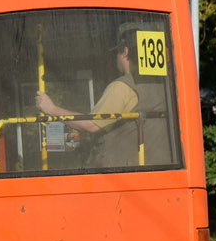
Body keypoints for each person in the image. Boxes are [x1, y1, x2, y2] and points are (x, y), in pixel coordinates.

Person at [35, 31, 144, 168]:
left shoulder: (122, 86)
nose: (116, 58)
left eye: (116, 52)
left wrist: (52, 109)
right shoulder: (160, 84)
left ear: (125, 52)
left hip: (121, 169)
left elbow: (92, 125)